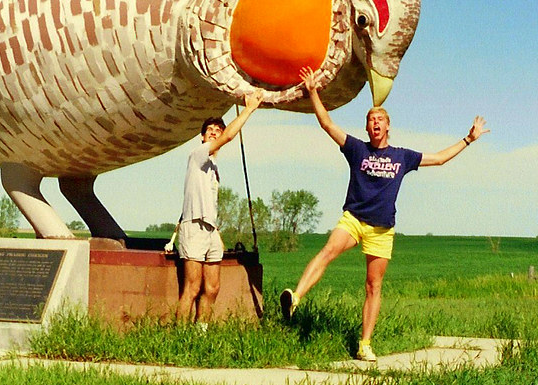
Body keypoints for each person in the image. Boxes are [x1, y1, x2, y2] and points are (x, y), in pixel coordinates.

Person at [280, 67, 488, 361]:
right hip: (353, 218)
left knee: (373, 285)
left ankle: (365, 344)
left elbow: (439, 159)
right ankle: (295, 298)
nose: (374, 123)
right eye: (370, 120)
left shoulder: (402, 156)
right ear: (367, 129)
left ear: (388, 126)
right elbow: (327, 124)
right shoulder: (356, 149)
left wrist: (468, 140)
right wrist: (313, 92)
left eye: (379, 120)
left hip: (381, 229)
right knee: (328, 250)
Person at [175, 91, 263, 323]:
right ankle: (179, 337)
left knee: (212, 288)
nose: (214, 134)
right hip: (194, 226)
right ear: (202, 138)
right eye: (210, 132)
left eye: (218, 131)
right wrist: (249, 108)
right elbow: (229, 138)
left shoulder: (213, 168)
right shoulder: (198, 155)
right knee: (192, 288)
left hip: (210, 229)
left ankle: (200, 333)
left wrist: (217, 232)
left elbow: (208, 203)